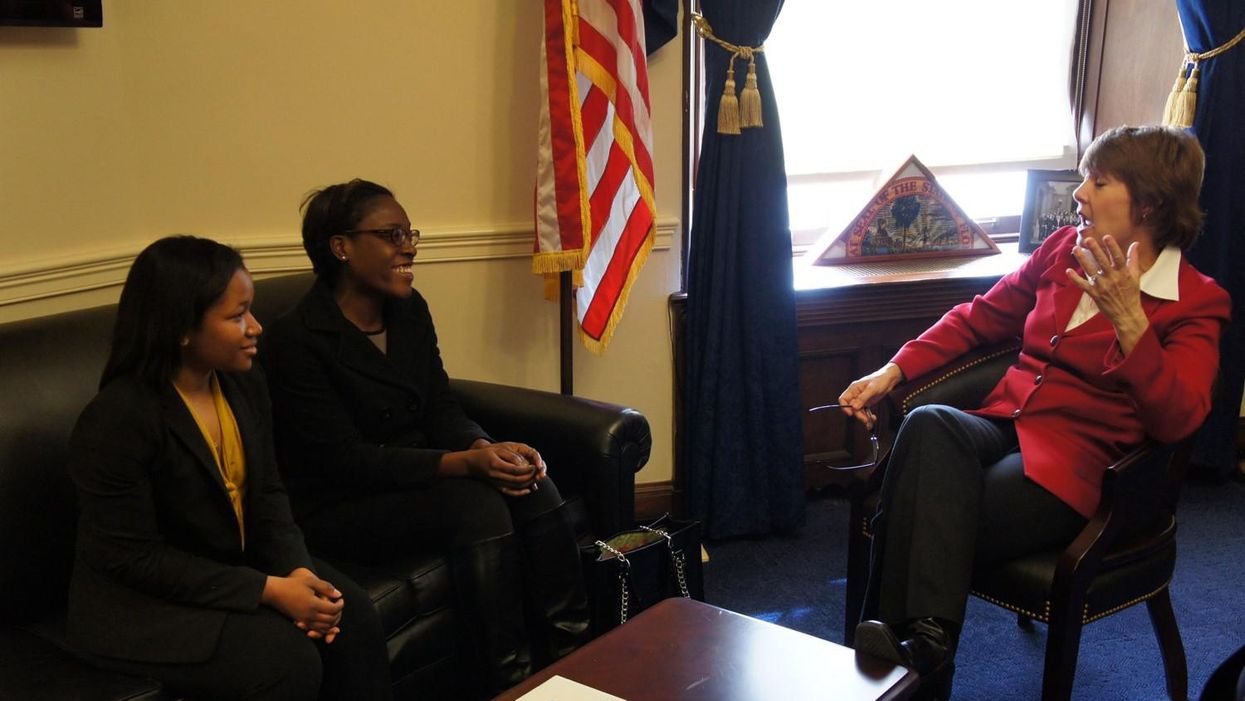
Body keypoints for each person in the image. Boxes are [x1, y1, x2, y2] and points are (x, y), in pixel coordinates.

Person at [838, 126, 1231, 700]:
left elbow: (1179, 420)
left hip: (1080, 470)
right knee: (928, 424)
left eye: (1098, 182)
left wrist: (1132, 325)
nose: (1080, 194)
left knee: (914, 505)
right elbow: (979, 317)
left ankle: (906, 661)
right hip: (1007, 421)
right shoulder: (1061, 250)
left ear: (1147, 203)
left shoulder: (1195, 301)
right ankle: (924, 647)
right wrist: (893, 371)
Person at [261, 179, 591, 698]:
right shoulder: (295, 339)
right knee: (474, 507)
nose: (409, 247)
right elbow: (344, 461)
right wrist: (462, 465)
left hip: (420, 476)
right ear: (341, 247)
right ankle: (510, 684)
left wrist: (484, 449)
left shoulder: (409, 310)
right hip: (341, 503)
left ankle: (574, 666)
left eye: (409, 233)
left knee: (528, 483)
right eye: (392, 235)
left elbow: (441, 405)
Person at [67, 236, 392, 701]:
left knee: (351, 612)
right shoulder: (117, 421)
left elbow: (269, 498)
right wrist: (268, 589)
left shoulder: (242, 383)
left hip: (226, 568)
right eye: (237, 316)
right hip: (141, 607)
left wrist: (297, 572)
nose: (256, 327)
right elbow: (133, 559)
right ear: (181, 327)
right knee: (286, 658)